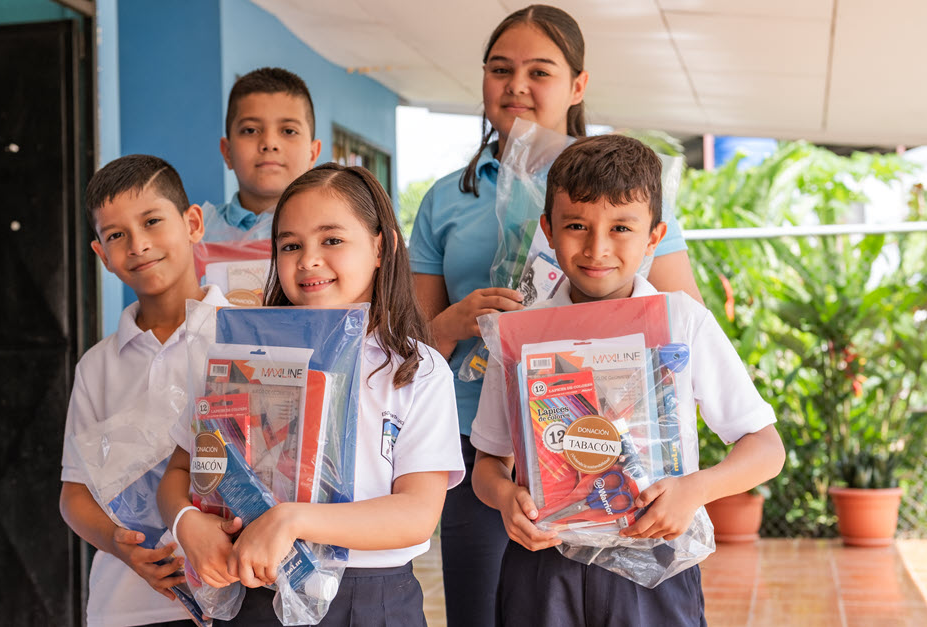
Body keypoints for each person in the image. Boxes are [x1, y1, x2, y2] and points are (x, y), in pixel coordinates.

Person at [407, 5, 704, 624]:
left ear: (577, 85)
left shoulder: (622, 189)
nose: (516, 85)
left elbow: (679, 332)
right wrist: (461, 322)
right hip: (478, 441)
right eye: (500, 69)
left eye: (538, 71)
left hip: (608, 438)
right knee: (490, 606)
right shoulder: (447, 198)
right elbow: (407, 348)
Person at [470, 134, 786, 625]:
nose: (598, 248)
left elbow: (766, 448)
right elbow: (489, 462)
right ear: (548, 231)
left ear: (654, 237)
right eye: (576, 225)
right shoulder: (522, 334)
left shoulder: (681, 321)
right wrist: (506, 498)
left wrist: (695, 490)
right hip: (544, 566)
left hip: (655, 563)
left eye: (621, 227)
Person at [157, 163, 465, 626]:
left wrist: (291, 521)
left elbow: (418, 512)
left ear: (382, 247)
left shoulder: (416, 368)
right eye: (290, 245)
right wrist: (187, 523)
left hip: (371, 599)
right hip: (252, 593)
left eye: (332, 240)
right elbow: (180, 472)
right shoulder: (241, 357)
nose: (309, 260)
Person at [59, 154, 230, 627]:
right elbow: (74, 495)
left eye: (152, 221)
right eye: (116, 235)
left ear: (193, 223)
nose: (138, 244)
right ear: (102, 255)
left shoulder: (241, 340)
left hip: (233, 597)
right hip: (125, 606)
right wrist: (118, 545)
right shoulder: (97, 366)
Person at [203, 67, 322, 242]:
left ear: (313, 154)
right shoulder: (195, 234)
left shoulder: (336, 232)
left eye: (289, 131)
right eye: (250, 130)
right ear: (227, 152)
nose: (269, 143)